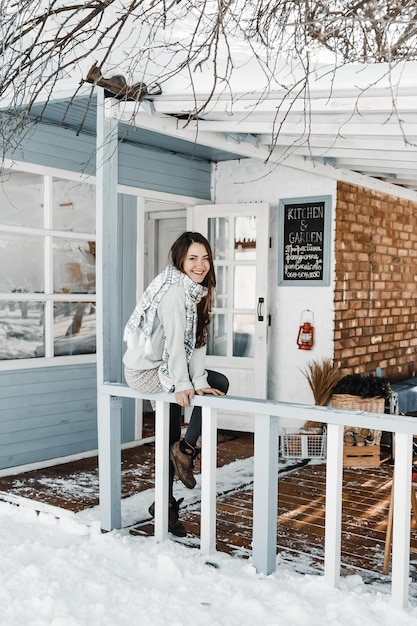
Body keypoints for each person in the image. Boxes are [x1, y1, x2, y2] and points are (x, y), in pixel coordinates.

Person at [123, 231, 229, 537]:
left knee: (210, 386)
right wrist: (184, 384)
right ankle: (184, 450)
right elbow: (173, 343)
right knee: (216, 384)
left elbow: (194, 344)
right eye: (192, 258)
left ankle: (165, 504)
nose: (200, 265)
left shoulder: (195, 291)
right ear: (180, 260)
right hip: (148, 372)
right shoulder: (174, 292)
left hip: (164, 368)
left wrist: (197, 381)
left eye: (205, 258)